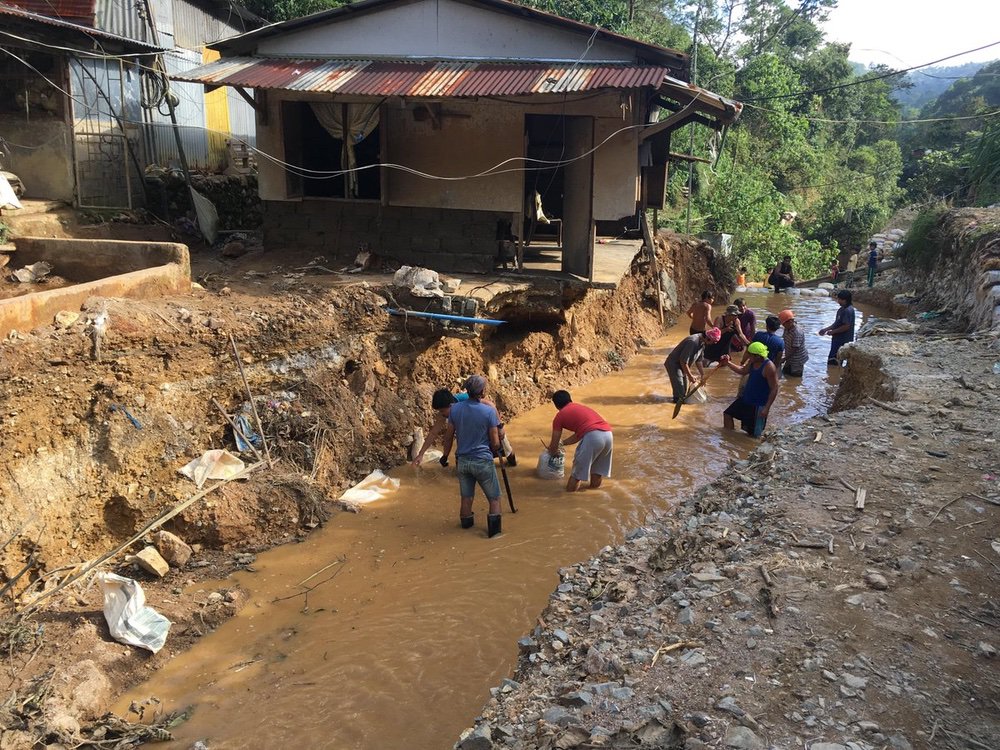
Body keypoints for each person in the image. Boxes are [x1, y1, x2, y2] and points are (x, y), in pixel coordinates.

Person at [441, 375, 503, 537]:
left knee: (466, 497)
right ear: (482, 392)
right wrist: (496, 449)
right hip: (482, 461)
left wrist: (445, 456)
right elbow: (495, 442)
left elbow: (448, 437)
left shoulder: (454, 409)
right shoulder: (489, 412)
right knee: (494, 498)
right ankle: (495, 535)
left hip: (462, 461)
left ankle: (466, 530)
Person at [411, 388, 516, 467]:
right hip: (470, 433)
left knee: (507, 452)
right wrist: (420, 454)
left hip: (488, 426)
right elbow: (434, 433)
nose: (442, 414)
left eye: (443, 411)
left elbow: (491, 405)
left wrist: (499, 426)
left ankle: (513, 463)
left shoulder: (466, 399)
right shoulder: (444, 413)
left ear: (451, 405)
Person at [547, 390, 613, 492]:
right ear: (570, 400)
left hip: (593, 437)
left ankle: (569, 499)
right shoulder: (580, 408)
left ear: (556, 405)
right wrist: (563, 443)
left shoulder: (559, 417)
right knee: (597, 472)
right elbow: (580, 434)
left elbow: (554, 444)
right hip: (608, 435)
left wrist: (551, 451)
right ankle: (594, 495)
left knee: (577, 474)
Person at [719, 341, 779, 437]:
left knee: (753, 436)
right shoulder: (752, 362)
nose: (748, 357)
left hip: (758, 405)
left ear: (758, 356)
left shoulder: (769, 367)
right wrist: (728, 363)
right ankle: (729, 438)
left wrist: (766, 408)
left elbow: (774, 388)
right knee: (727, 414)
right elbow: (743, 371)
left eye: (750, 355)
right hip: (746, 399)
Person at [664, 327, 719, 402]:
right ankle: (677, 401)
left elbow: (699, 361)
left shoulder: (702, 342)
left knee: (684, 391)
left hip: (682, 365)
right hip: (674, 364)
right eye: (713, 342)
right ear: (708, 338)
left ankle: (679, 399)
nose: (713, 344)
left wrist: (702, 375)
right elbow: (683, 361)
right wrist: (690, 376)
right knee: (680, 393)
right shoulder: (693, 342)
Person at [819, 289, 856, 366]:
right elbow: (836, 324)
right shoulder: (841, 309)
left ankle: (833, 376)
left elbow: (846, 326)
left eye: (839, 299)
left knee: (834, 362)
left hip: (842, 340)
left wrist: (833, 332)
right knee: (834, 361)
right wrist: (825, 329)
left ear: (845, 300)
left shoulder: (848, 311)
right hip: (837, 339)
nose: (837, 301)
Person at [779, 309, 808, 377]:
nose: (783, 325)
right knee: (785, 375)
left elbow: (794, 349)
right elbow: (785, 340)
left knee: (795, 379)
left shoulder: (797, 332)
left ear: (790, 321)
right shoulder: (787, 328)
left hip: (797, 361)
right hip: (789, 358)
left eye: (784, 323)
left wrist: (784, 358)